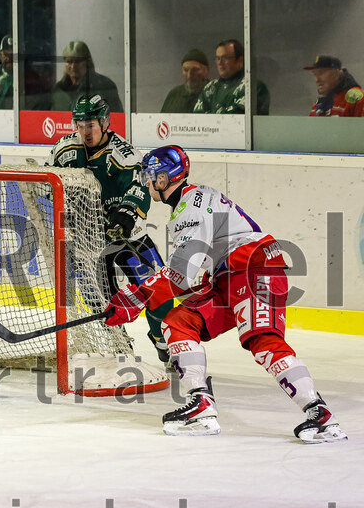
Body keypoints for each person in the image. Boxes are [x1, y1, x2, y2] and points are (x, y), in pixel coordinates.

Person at [105, 145, 347, 442]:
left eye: (150, 175)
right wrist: (141, 296)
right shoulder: (191, 201)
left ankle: (319, 413)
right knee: (178, 322)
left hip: (255, 267)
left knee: (263, 342)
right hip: (229, 276)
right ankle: (201, 406)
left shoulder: (189, 207)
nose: (147, 181)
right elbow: (191, 275)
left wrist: (139, 295)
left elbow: (181, 274)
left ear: (165, 179)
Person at [47, 95, 173, 368]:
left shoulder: (123, 153)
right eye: (79, 124)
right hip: (86, 240)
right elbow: (49, 185)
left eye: (90, 124)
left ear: (104, 122)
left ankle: (162, 340)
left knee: (160, 293)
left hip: (129, 237)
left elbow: (139, 189)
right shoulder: (63, 150)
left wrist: (124, 216)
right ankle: (117, 339)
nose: (84, 131)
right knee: (100, 298)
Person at [193, 39, 269, 115]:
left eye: (225, 58)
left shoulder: (252, 86)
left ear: (240, 60)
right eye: (218, 58)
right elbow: (197, 118)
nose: (220, 62)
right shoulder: (210, 87)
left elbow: (236, 119)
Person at [50, 41, 122, 113]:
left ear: (87, 62)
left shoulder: (105, 86)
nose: (73, 66)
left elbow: (117, 118)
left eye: (78, 61)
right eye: (69, 61)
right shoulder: (58, 90)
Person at [160, 49, 211, 113]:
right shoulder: (174, 95)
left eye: (195, 70)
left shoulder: (215, 94)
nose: (189, 75)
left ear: (207, 70)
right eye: (186, 70)